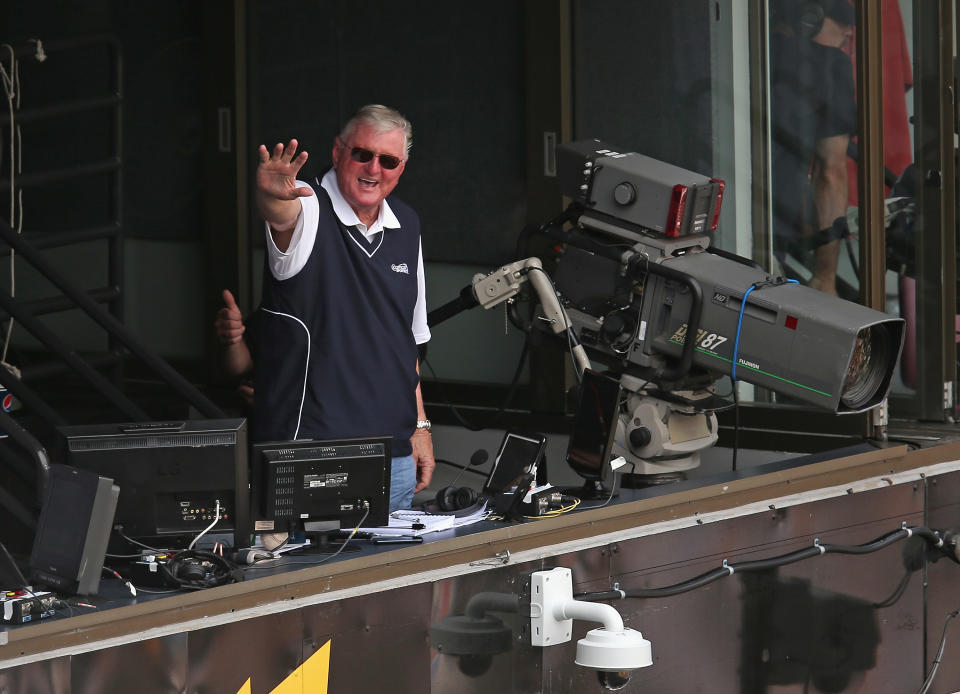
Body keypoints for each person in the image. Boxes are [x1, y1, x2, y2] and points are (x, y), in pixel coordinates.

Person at [238, 104, 434, 513]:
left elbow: (408, 342)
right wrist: (270, 198)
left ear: (402, 168)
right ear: (338, 152)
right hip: (312, 452)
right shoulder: (308, 205)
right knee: (304, 573)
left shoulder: (407, 223)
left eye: (388, 160)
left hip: (393, 454)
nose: (373, 168)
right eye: (362, 154)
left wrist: (420, 428)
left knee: (391, 575)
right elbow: (282, 215)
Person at [769, 0, 857, 296]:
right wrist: (825, 276)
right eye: (843, 20)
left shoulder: (747, 49)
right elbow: (830, 172)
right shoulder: (827, 64)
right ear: (811, 17)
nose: (849, 32)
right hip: (770, 228)